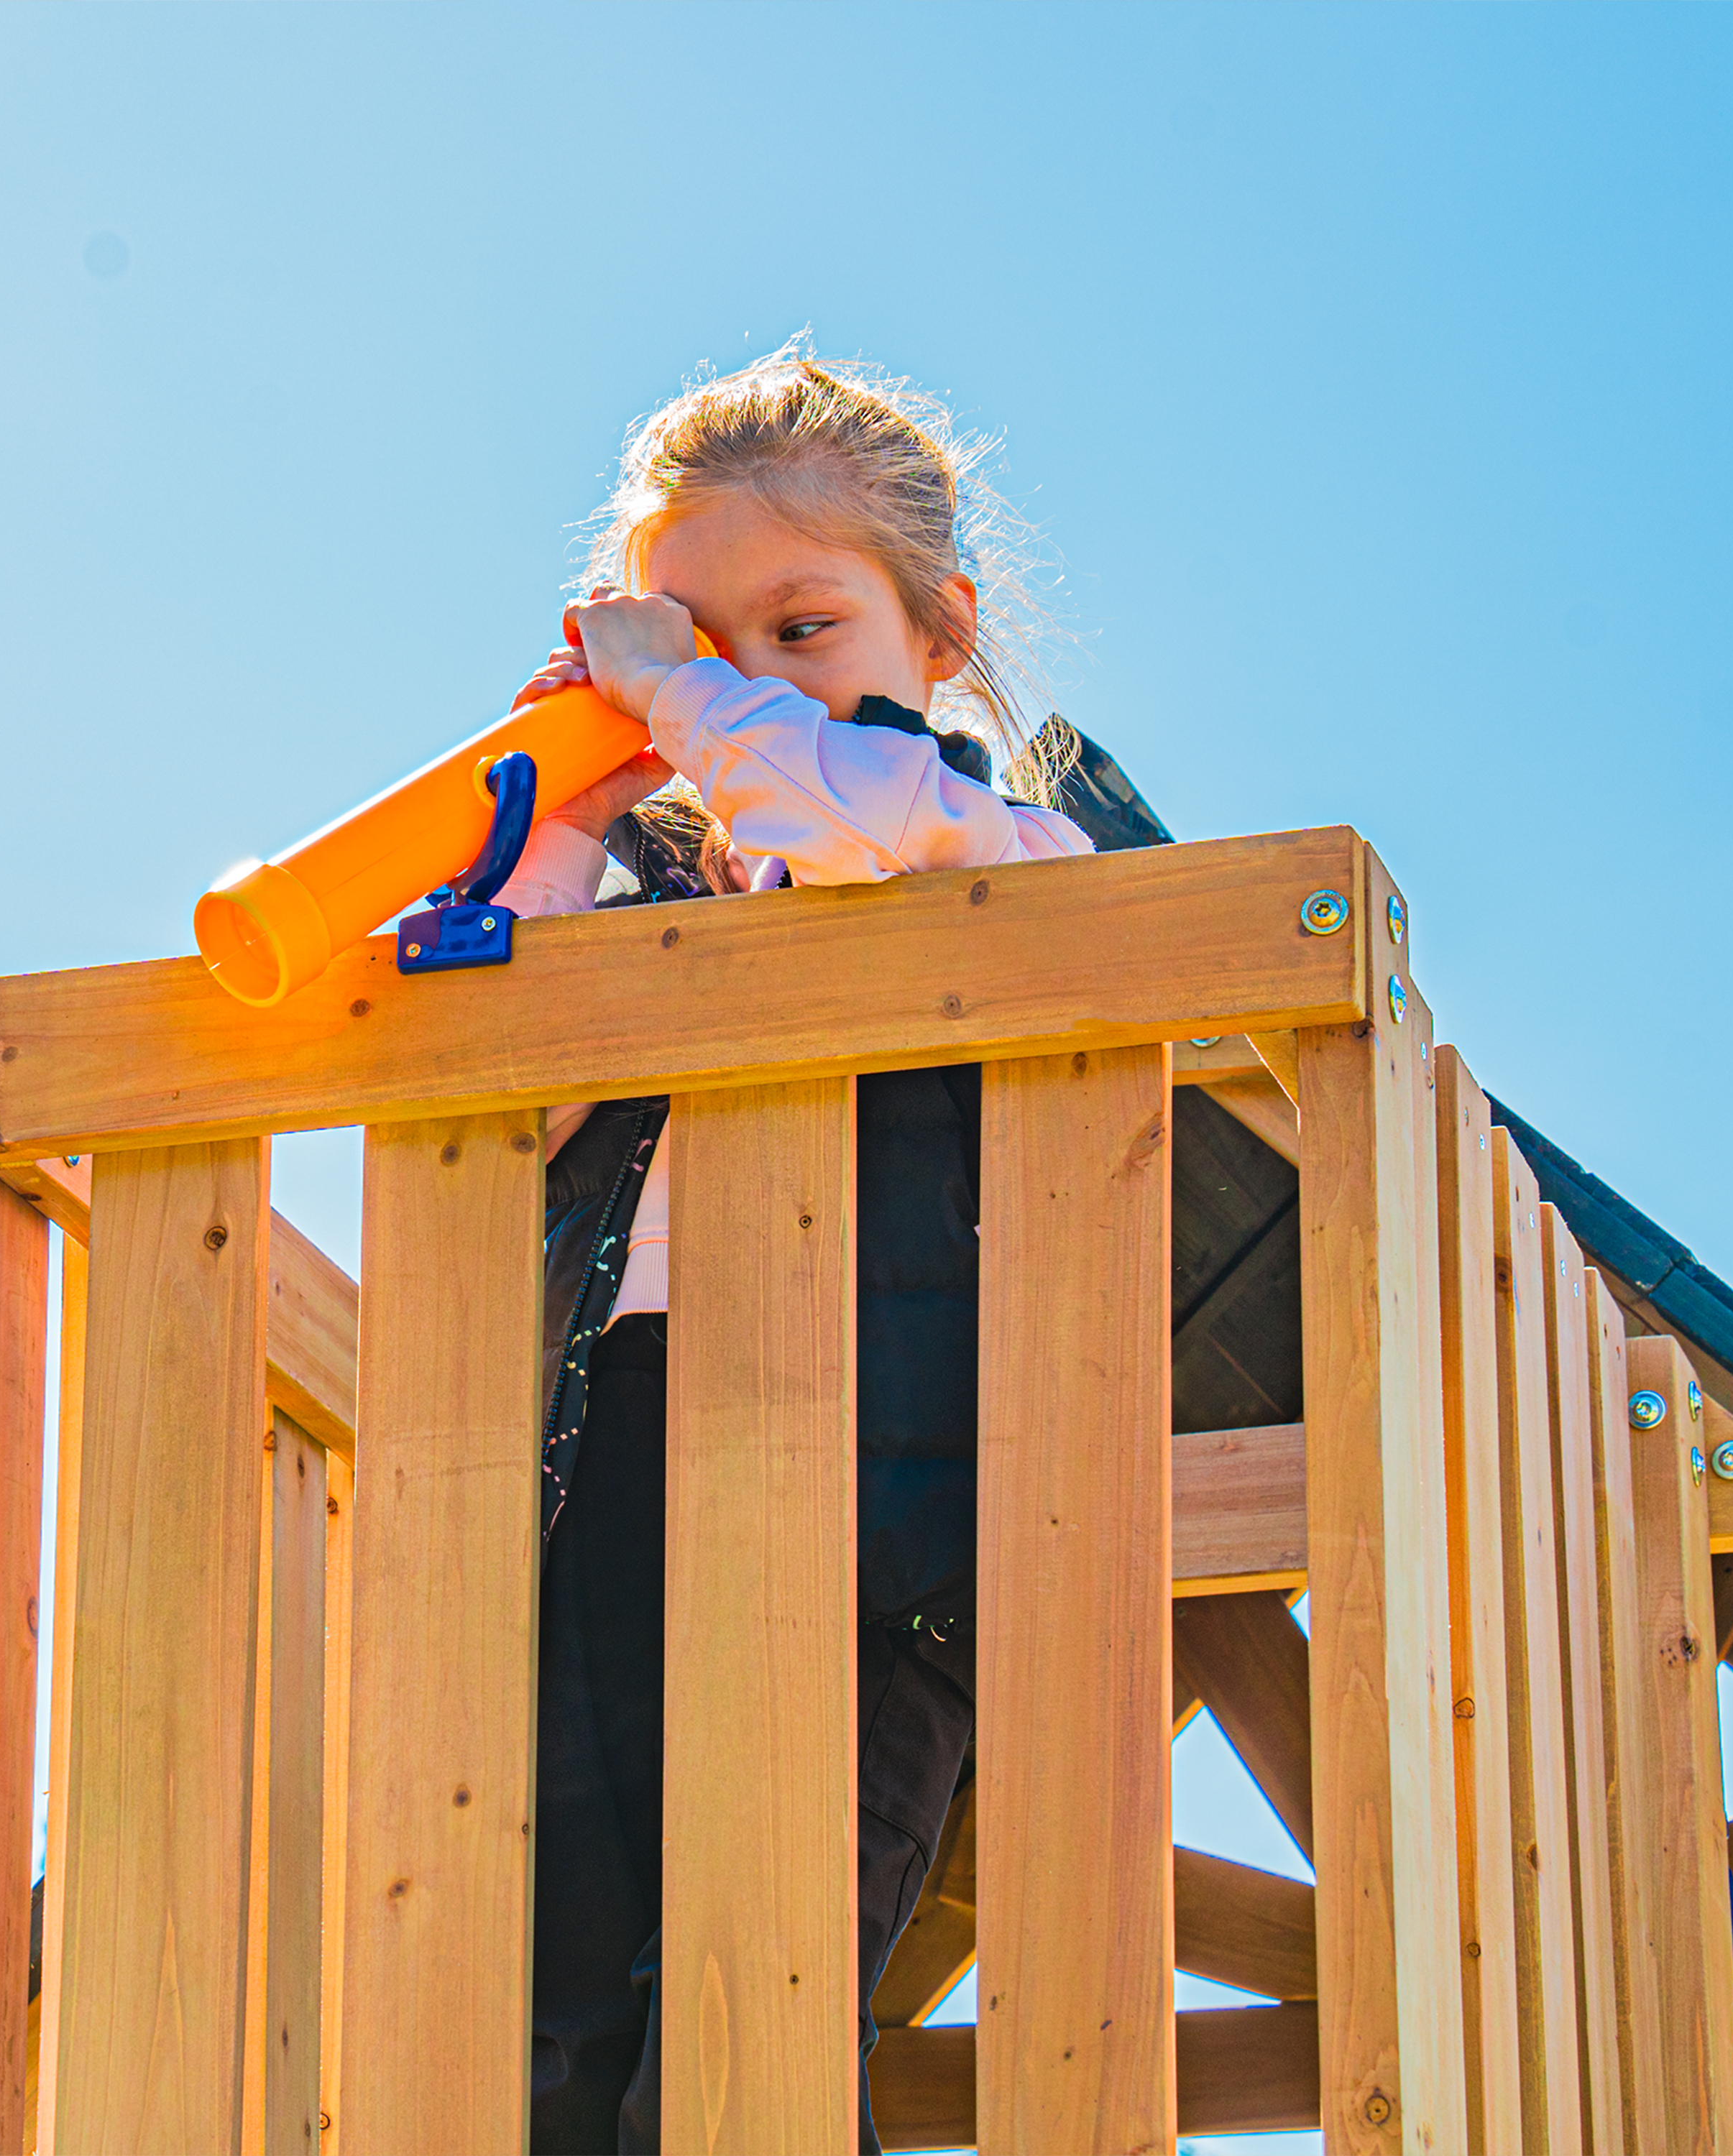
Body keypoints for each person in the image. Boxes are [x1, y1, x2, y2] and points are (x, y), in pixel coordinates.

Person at [497, 344, 1092, 2155]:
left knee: (750, 2031)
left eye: (802, 627)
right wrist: (569, 815)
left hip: (883, 1501)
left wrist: (684, 701)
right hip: (609, 1478)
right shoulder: (647, 908)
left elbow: (835, 818)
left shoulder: (989, 837)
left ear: (943, 633)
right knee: (551, 2033)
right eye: (684, 635)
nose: (742, 681)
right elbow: (500, 1101)